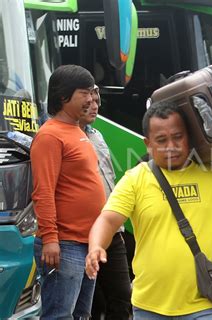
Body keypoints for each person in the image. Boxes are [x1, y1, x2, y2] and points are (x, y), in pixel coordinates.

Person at [85, 101, 212, 319]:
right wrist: (96, 246)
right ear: (148, 144)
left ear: (190, 137)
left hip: (205, 305)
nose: (171, 146)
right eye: (161, 140)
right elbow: (108, 220)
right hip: (149, 307)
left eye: (178, 137)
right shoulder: (136, 178)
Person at [30, 65, 106, 319]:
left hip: (87, 243)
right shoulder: (50, 136)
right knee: (60, 315)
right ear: (64, 97)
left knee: (81, 314)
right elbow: (44, 191)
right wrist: (50, 239)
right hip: (65, 244)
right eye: (85, 93)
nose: (91, 99)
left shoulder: (77, 131)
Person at [78, 85, 132, 319]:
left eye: (97, 101)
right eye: (88, 101)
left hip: (112, 229)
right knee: (90, 301)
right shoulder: (60, 135)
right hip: (81, 233)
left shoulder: (97, 134)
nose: (95, 106)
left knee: (122, 295)